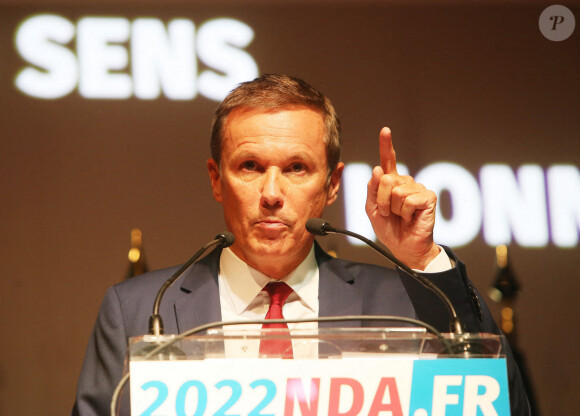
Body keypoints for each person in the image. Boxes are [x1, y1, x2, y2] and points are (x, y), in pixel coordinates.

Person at [72, 74, 530, 415]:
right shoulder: (136, 309)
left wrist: (423, 260)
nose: (271, 193)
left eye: (296, 168)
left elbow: (499, 402)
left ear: (332, 185)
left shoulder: (402, 301)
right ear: (217, 179)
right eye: (250, 165)